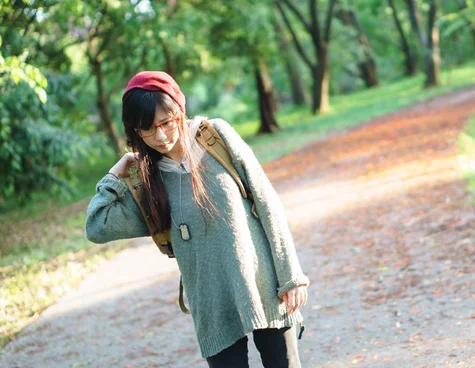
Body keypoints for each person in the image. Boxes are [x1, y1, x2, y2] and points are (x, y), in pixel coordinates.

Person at [85, 71, 309, 367]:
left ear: (179, 110)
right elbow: (96, 226)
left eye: (166, 122)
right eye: (147, 129)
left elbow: (268, 203)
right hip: (212, 306)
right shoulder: (147, 183)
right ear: (135, 132)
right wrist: (116, 173)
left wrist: (291, 276)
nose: (160, 136)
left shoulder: (217, 137)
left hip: (265, 285)